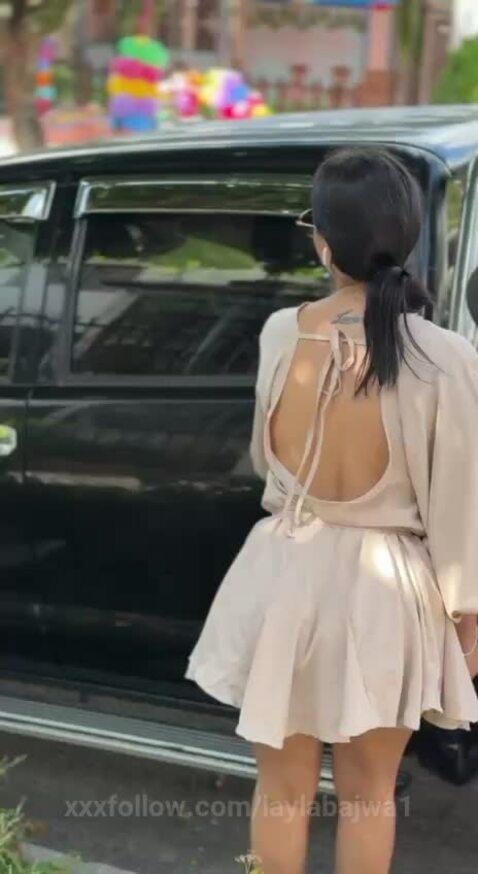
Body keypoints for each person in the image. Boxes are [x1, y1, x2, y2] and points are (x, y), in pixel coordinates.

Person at [184, 147, 478, 874]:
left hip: (284, 573)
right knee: (370, 796)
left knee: (281, 792)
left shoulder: (281, 334)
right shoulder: (445, 357)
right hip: (386, 593)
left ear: (322, 241)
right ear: (406, 236)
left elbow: (267, 463)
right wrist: (467, 620)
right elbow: (459, 511)